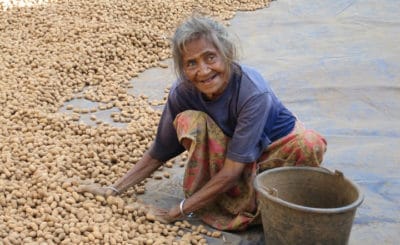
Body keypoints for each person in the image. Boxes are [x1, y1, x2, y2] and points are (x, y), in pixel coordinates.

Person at [79, 14, 327, 231]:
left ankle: (260, 200)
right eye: (191, 63)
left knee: (309, 143)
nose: (204, 71)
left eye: (211, 57)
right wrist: (114, 189)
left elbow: (232, 171)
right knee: (189, 121)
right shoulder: (183, 92)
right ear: (182, 68)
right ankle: (223, 198)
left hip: (268, 148)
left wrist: (179, 210)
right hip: (231, 152)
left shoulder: (252, 93)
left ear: (227, 55)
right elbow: (160, 151)